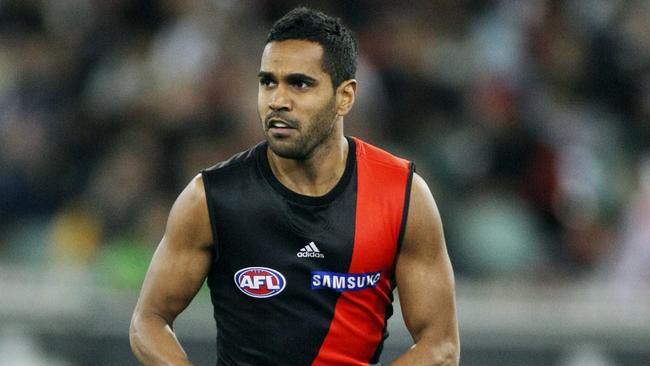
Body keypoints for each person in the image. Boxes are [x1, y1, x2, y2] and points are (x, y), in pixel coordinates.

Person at [129, 7, 459, 366]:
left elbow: (439, 345)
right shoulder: (211, 198)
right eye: (268, 81)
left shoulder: (402, 196)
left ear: (344, 96)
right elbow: (149, 320)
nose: (277, 100)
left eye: (300, 83)